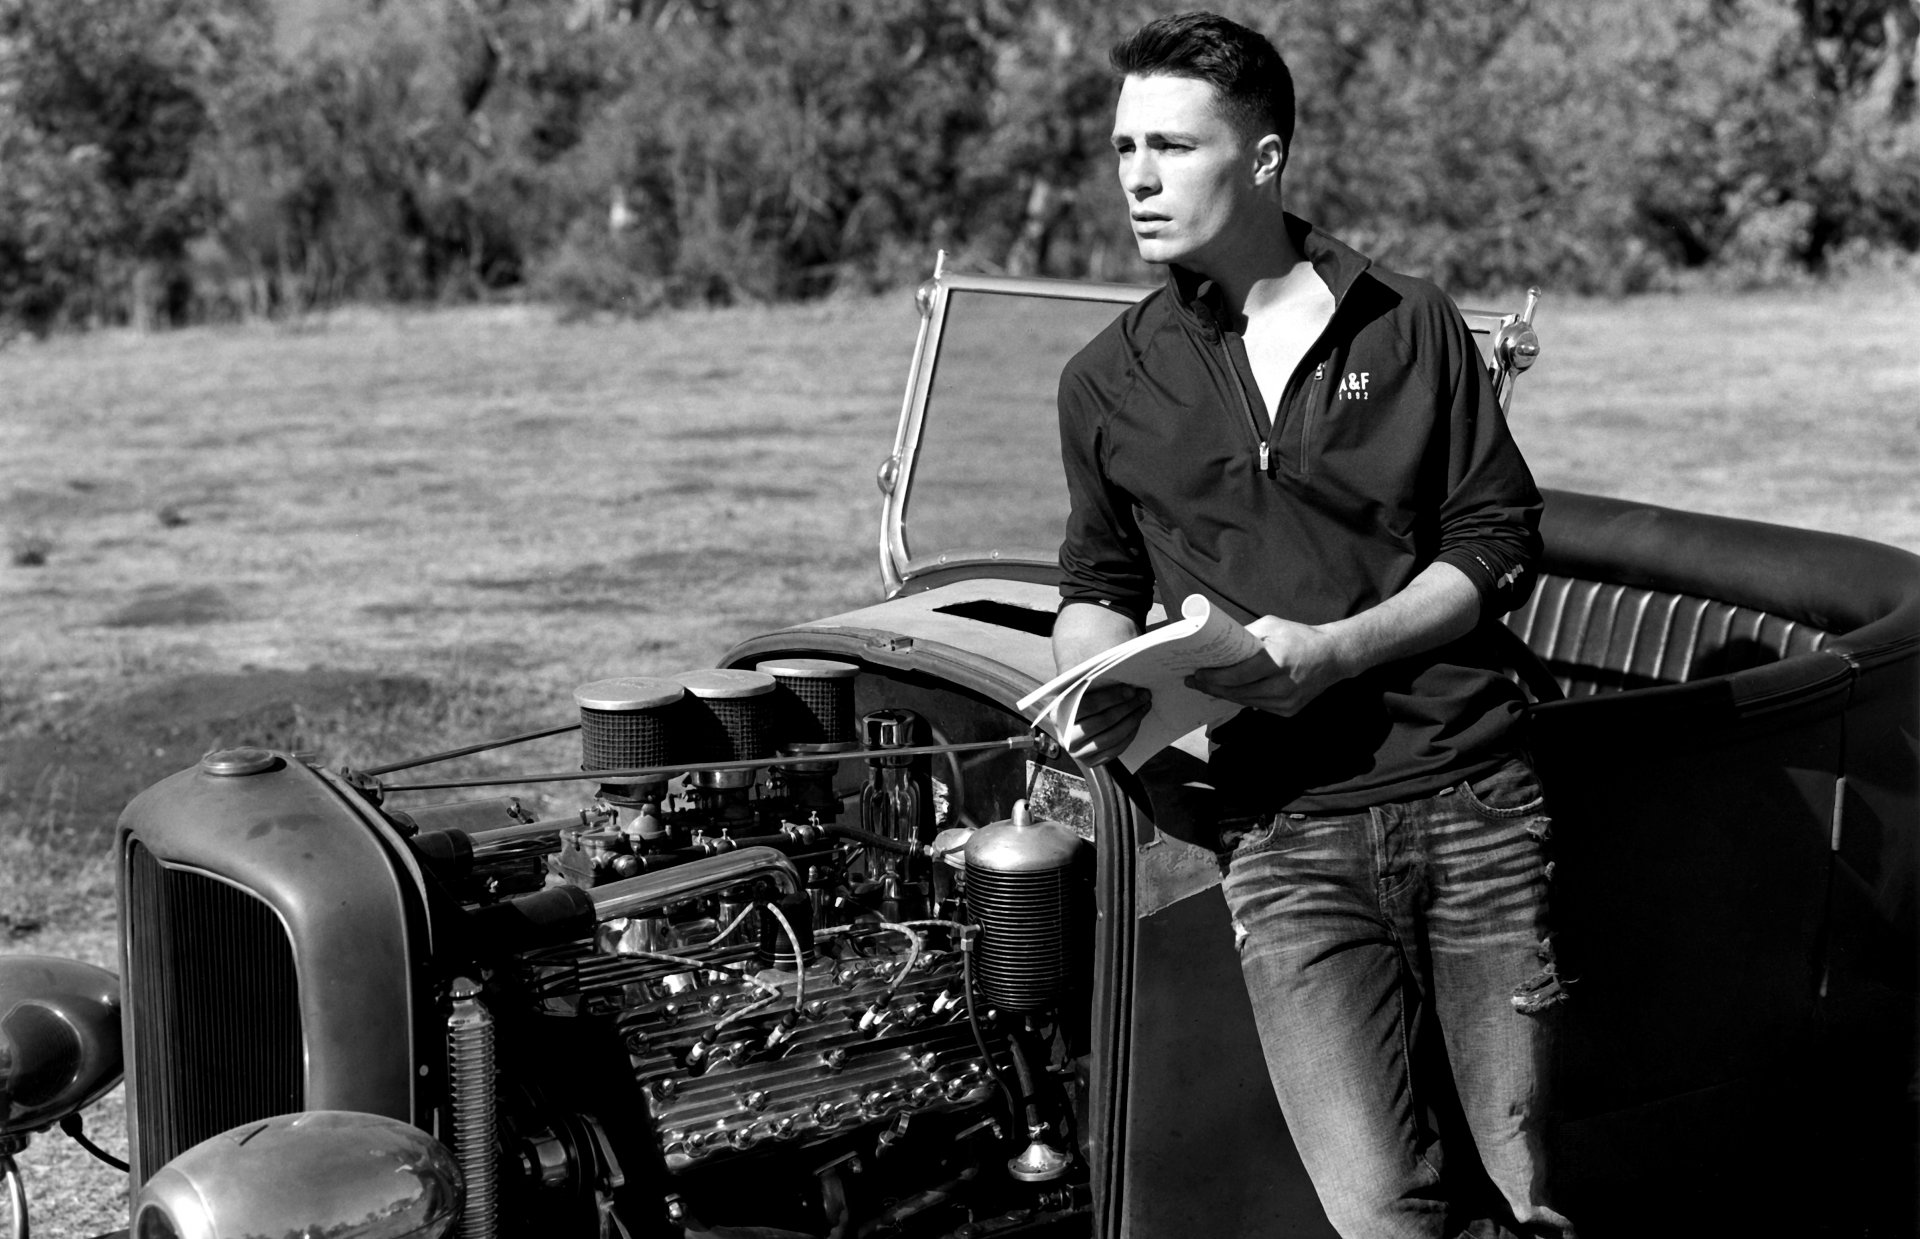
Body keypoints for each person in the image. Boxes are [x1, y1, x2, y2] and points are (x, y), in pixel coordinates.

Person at [1050, 12, 1574, 1238]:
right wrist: (1092, 674)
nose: (1135, 176)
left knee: (1522, 1194)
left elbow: (1496, 546)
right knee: (1382, 1210)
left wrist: (1340, 651)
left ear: (1267, 157)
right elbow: (1095, 575)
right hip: (1281, 836)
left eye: (1172, 146)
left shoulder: (1410, 321)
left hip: (1473, 801)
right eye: (1124, 144)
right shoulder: (1105, 380)